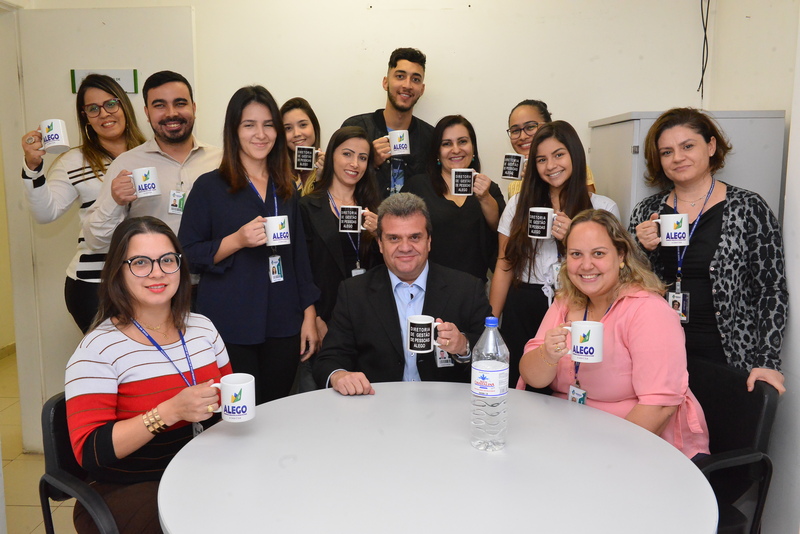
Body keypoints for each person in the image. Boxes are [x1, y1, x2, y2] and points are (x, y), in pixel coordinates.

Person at [65, 216, 231, 532]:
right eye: (140, 262)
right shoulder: (97, 349)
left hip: (201, 468)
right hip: (129, 486)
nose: (157, 272)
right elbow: (89, 451)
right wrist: (169, 412)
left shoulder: (203, 329)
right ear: (118, 271)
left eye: (167, 260)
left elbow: (227, 404)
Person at [519, 209, 709, 460]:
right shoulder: (565, 302)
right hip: (573, 436)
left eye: (598, 253)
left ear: (621, 255)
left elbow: (659, 406)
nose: (586, 265)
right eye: (576, 254)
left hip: (641, 450)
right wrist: (547, 354)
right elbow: (532, 377)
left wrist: (602, 459)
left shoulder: (648, 310)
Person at [629, 107, 787, 394]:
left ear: (711, 146)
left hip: (729, 355)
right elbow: (626, 287)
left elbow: (771, 289)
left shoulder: (748, 208)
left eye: (688, 146)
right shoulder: (646, 211)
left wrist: (767, 359)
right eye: (667, 152)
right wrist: (641, 247)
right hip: (659, 353)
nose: (678, 157)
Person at [178, 85, 320, 404]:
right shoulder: (209, 187)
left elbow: (299, 258)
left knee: (276, 409)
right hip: (231, 322)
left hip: (283, 321)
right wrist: (236, 241)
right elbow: (187, 255)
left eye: (268, 125)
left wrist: (309, 315)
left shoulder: (286, 187)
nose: (260, 134)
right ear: (234, 130)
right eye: (249, 125)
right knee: (237, 416)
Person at [312, 193, 492, 395]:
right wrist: (339, 376)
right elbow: (329, 359)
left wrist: (464, 346)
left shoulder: (467, 289)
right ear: (380, 244)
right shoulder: (353, 292)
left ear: (429, 241)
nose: (405, 248)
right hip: (378, 404)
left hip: (446, 404)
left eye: (415, 237)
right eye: (394, 238)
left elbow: (494, 354)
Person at [490, 120, 619, 388]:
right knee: (517, 383)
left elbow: (611, 268)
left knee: (569, 382)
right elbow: (504, 263)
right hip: (523, 302)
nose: (550, 166)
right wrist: (490, 324)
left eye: (559, 155)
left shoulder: (602, 208)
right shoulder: (517, 204)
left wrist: (573, 237)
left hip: (577, 303)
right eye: (541, 159)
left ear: (575, 155)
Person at [20, 74, 146, 333]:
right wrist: (33, 167)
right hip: (95, 284)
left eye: (111, 104)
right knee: (109, 357)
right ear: (85, 117)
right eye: (93, 109)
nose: (104, 114)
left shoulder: (151, 153)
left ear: (124, 105)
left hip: (150, 276)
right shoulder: (73, 161)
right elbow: (45, 213)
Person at [83, 70, 222, 250]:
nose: (171, 113)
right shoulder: (126, 164)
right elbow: (95, 241)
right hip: (155, 267)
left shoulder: (223, 161)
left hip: (213, 267)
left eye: (180, 103)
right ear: (147, 113)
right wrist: (115, 202)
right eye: (160, 106)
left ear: (194, 108)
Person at [402, 115, 505, 283]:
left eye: (462, 142)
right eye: (447, 144)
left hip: (474, 288)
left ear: (473, 148)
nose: (456, 150)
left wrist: (485, 197)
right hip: (427, 286)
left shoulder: (489, 188)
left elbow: (500, 230)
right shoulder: (417, 186)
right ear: (437, 152)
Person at [342, 47, 434, 197]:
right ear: (385, 82)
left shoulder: (430, 137)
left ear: (422, 89)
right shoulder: (356, 128)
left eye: (415, 79)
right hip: (366, 212)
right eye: (400, 76)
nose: (407, 85)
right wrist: (370, 162)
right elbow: (338, 183)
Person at [505, 99, 596, 198]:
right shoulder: (513, 186)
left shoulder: (571, 168)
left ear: (548, 127)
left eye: (530, 127)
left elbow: (586, 205)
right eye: (515, 131)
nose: (522, 137)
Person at [281, 97, 325, 195]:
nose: (296, 134)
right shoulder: (275, 172)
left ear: (314, 126)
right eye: (288, 128)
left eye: (303, 125)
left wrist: (322, 178)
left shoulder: (331, 169)